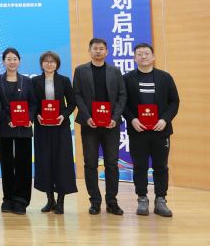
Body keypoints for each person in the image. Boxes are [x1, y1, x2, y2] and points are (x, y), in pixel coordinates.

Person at [122, 43, 180, 217]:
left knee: (161, 166)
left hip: (160, 131)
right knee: (139, 166)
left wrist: (165, 119)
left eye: (147, 53)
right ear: (134, 58)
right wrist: (132, 119)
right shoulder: (127, 79)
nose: (143, 56)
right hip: (138, 131)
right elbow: (122, 103)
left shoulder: (165, 77)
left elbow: (174, 101)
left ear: (153, 57)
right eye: (139, 54)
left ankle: (161, 200)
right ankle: (142, 199)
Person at [73, 38, 127, 215]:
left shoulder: (115, 71)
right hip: (90, 125)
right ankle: (95, 201)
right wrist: (87, 116)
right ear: (89, 50)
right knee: (90, 163)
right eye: (95, 48)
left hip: (111, 125)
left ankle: (112, 201)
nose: (98, 51)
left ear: (107, 51)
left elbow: (122, 96)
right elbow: (77, 95)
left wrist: (115, 117)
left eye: (101, 48)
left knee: (111, 163)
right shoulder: (81, 71)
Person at [0, 48, 37, 215]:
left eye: (15, 59)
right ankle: (8, 199)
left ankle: (21, 200)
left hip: (24, 129)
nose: (12, 62)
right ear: (3, 61)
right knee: (6, 164)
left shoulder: (28, 81)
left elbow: (33, 104)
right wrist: (7, 119)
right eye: (9, 59)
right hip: (4, 127)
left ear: (19, 61)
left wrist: (29, 118)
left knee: (23, 164)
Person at [32, 51, 77, 214]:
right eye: (46, 61)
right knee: (45, 162)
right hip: (42, 128)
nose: (49, 64)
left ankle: (61, 201)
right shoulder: (35, 81)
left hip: (60, 127)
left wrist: (63, 116)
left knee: (61, 162)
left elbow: (72, 103)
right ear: (41, 64)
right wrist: (36, 115)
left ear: (57, 64)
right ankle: (50, 200)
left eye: (52, 61)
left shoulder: (64, 81)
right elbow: (32, 103)